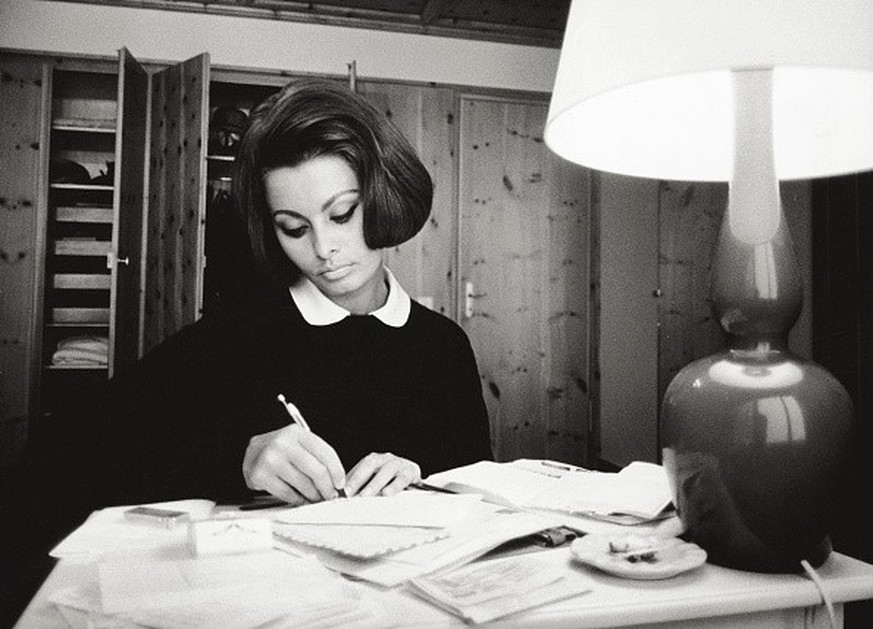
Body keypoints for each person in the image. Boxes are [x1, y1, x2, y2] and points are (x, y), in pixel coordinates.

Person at [101, 78, 492, 507]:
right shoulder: (234, 336)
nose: (324, 250)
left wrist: (424, 477)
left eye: (342, 214)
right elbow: (88, 451)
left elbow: (477, 485)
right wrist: (239, 458)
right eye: (294, 228)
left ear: (386, 196)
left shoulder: (444, 345)